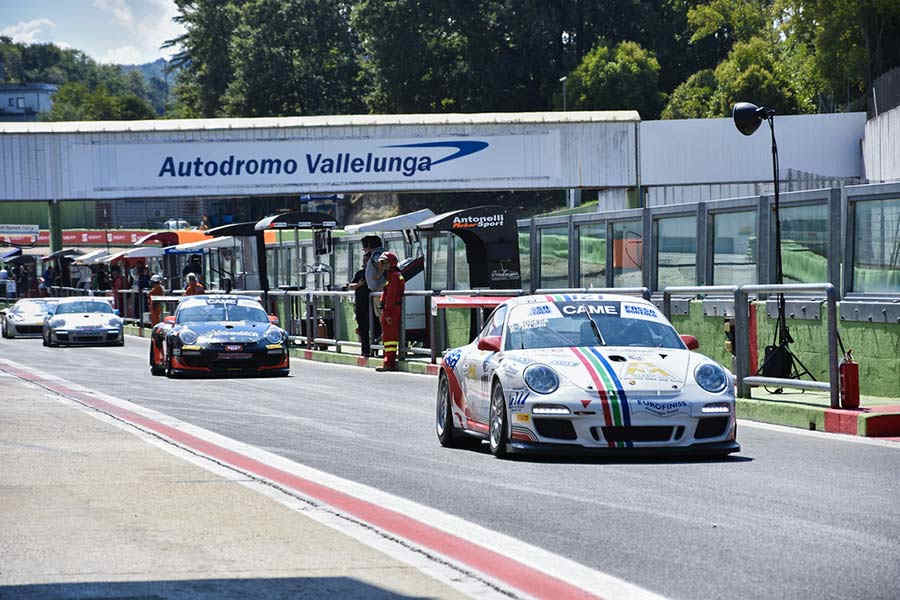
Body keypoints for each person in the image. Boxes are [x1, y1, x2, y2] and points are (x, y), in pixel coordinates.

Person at [376, 252, 404, 372]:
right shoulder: (393, 275)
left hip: (391, 311)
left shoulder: (394, 276)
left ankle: (389, 363)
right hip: (391, 310)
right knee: (388, 337)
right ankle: (388, 361)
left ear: (391, 263)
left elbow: (391, 297)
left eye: (384, 262)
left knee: (389, 338)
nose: (382, 265)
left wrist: (387, 314)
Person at [347, 254, 373, 357]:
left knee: (376, 328)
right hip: (361, 305)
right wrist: (359, 285)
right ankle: (365, 350)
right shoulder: (360, 273)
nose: (365, 262)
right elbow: (350, 286)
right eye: (364, 260)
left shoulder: (376, 273)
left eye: (367, 260)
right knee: (363, 328)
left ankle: (376, 349)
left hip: (373, 305)